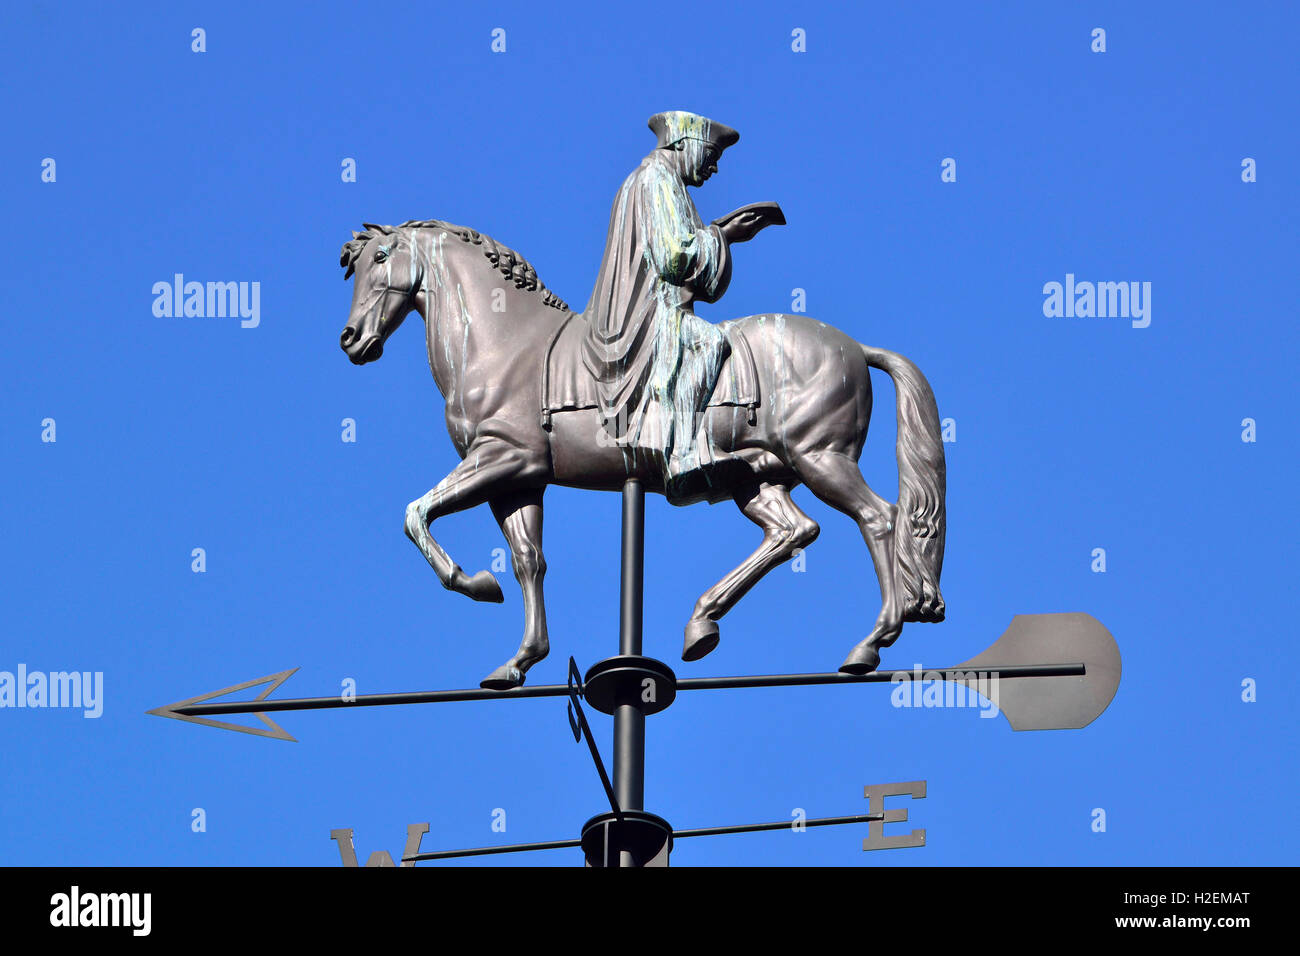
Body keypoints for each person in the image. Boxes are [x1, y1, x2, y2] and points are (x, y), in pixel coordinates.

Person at [581, 110, 766, 503]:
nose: (714, 167)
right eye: (711, 154)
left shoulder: (659, 181)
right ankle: (682, 453)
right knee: (707, 343)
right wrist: (724, 236)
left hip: (657, 306)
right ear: (683, 144)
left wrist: (717, 236)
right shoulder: (655, 179)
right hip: (648, 315)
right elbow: (673, 257)